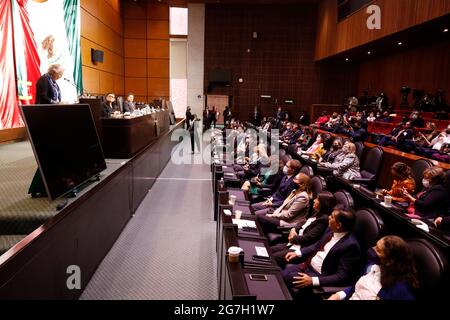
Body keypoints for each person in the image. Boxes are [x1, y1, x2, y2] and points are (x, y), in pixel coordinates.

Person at [282, 208, 361, 299]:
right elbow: (316, 246)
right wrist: (298, 253)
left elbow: (341, 276)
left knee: (285, 278)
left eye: (331, 217)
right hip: (307, 265)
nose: (328, 218)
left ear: (339, 225)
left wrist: (313, 280)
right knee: (281, 274)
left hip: (319, 275)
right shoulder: (331, 230)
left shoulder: (351, 246)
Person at [328, 236, 419, 300]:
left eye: (378, 250)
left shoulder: (400, 291)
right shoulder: (372, 267)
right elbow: (357, 287)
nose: (372, 249)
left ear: (390, 261)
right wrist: (338, 295)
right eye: (375, 246)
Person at [270, 192, 336, 267]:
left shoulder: (324, 220)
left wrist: (293, 238)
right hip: (294, 243)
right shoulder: (316, 212)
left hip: (300, 249)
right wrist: (293, 229)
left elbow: (309, 238)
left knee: (273, 258)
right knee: (270, 250)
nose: (314, 200)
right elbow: (302, 223)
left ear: (323, 203)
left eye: (317, 199)